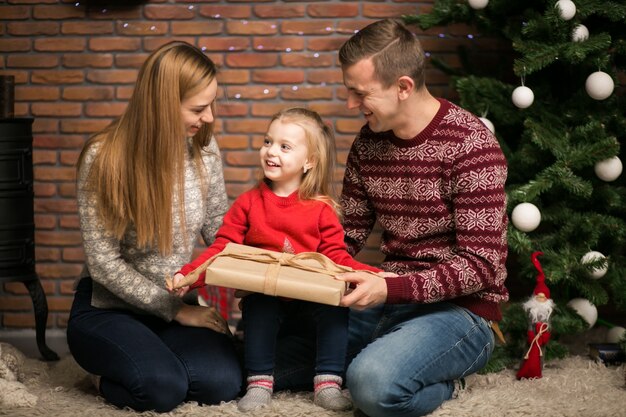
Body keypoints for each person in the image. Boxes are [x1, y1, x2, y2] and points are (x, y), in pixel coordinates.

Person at [273, 19, 509, 417]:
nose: (351, 104)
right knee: (266, 366)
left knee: (371, 386)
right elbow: (345, 234)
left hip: (461, 313)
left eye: (360, 93)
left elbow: (482, 266)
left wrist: (392, 288)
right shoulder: (368, 143)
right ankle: (389, 357)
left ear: (403, 87)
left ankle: (447, 381)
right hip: (383, 300)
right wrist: (290, 264)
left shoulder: (471, 144)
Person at [169, 107, 385, 412]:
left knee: (335, 307)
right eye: (268, 142)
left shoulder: (322, 210)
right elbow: (223, 248)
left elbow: (337, 256)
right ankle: (259, 382)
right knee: (260, 303)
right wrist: (189, 274)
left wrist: (374, 274)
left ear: (309, 161)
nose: (271, 152)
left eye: (285, 147)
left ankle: (327, 381)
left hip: (309, 303)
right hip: (267, 299)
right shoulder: (248, 203)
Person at [66, 41, 242, 413]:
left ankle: (153, 359)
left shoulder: (204, 151)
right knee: (162, 390)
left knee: (223, 383)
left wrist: (272, 263)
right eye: (198, 108)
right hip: (107, 309)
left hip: (175, 302)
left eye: (211, 104)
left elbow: (219, 231)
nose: (209, 117)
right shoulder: (104, 158)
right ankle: (104, 372)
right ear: (163, 105)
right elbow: (103, 264)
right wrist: (176, 312)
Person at [516, 252, 554, 380]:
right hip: (532, 337)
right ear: (535, 298)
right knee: (527, 352)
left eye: (543, 298)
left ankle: (539, 371)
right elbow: (529, 324)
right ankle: (523, 369)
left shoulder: (547, 312)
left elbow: (548, 325)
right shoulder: (532, 312)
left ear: (547, 300)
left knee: (540, 354)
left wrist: (546, 334)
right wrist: (531, 333)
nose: (541, 300)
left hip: (542, 338)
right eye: (538, 297)